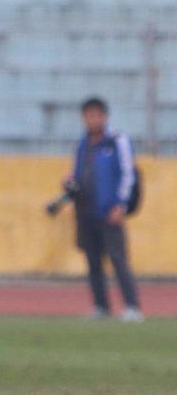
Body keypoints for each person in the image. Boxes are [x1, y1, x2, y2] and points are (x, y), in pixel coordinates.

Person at [68, 97, 143, 322]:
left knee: (118, 259)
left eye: (96, 115)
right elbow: (78, 174)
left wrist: (121, 205)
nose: (92, 120)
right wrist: (70, 183)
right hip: (85, 211)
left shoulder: (117, 141)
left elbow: (129, 175)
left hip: (109, 211)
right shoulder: (83, 144)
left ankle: (132, 307)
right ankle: (101, 306)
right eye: (88, 116)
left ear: (104, 117)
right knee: (93, 262)